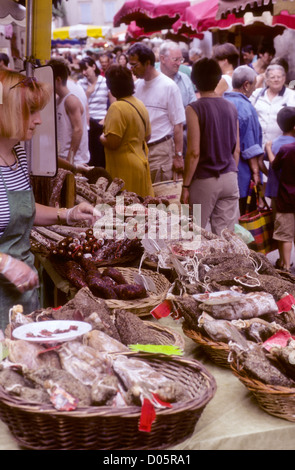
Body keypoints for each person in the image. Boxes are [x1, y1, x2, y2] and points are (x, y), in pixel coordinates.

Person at [0, 70, 96, 330]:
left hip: (22, 294)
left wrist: (67, 214)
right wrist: (5, 262)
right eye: (30, 112)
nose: (39, 120)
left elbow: (24, 209)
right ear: (6, 111)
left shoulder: (17, 153)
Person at [181, 58, 240, 235]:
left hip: (204, 179)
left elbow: (193, 152)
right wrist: (231, 169)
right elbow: (236, 149)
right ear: (217, 79)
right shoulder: (231, 107)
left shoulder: (194, 108)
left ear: (194, 81)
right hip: (230, 177)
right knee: (226, 239)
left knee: (194, 236)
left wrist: (185, 186)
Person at [127, 43, 185, 183]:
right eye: (130, 66)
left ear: (147, 63)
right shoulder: (137, 86)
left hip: (160, 151)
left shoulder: (168, 86)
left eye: (135, 65)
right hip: (139, 151)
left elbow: (178, 125)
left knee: (160, 200)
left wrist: (178, 156)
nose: (132, 70)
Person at [100, 65, 153, 197]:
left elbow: (113, 143)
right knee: (140, 212)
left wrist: (101, 136)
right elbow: (148, 136)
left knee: (125, 212)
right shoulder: (139, 104)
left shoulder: (117, 107)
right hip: (141, 164)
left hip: (124, 169)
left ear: (111, 87)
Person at [224, 65, 264, 216]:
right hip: (242, 174)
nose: (254, 90)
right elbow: (249, 147)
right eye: (253, 85)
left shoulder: (222, 102)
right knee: (243, 219)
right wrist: (256, 172)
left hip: (221, 172)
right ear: (246, 85)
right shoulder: (247, 109)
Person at [48, 58, 90, 168]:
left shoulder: (71, 100)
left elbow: (78, 130)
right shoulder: (58, 100)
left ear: (57, 79)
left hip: (75, 160)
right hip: (64, 158)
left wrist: (70, 160)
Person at [78, 56, 114, 168]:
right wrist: (87, 94)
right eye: (82, 70)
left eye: (86, 69)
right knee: (89, 154)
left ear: (94, 67)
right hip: (87, 123)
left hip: (101, 121)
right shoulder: (80, 83)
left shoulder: (105, 82)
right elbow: (78, 106)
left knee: (100, 154)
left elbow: (113, 103)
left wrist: (105, 119)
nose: (84, 72)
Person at [250, 64, 295, 148]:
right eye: (272, 77)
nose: (276, 80)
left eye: (279, 77)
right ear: (266, 80)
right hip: (258, 145)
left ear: (284, 79)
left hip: (281, 147)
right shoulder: (256, 94)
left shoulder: (292, 96)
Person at [264, 106, 295, 221]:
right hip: (291, 192)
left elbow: (260, 161)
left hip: (276, 191)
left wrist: (269, 174)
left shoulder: (273, 144)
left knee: (279, 226)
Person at [272, 140, 295, 272]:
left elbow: (274, 165)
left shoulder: (286, 149)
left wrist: (269, 149)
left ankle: (286, 266)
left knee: (286, 235)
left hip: (287, 197)